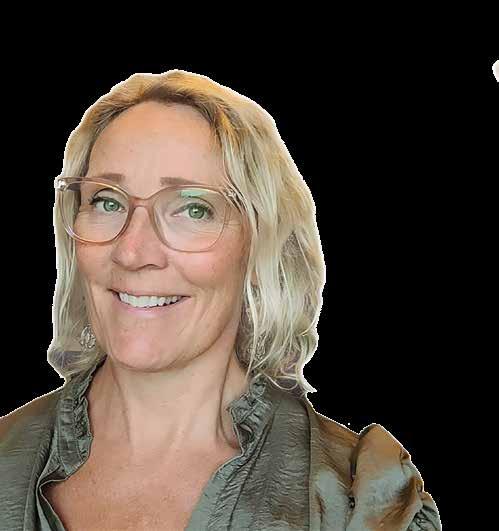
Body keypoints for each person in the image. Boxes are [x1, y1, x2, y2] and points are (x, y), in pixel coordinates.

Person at [0, 70, 441, 530]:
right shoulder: (4, 462)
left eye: (193, 209)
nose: (132, 252)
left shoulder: (355, 506)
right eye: (107, 201)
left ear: (260, 247)